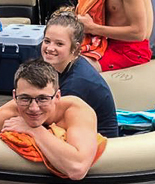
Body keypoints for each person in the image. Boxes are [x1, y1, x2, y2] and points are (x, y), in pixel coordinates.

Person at [41, 9, 119, 138]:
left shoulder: (76, 84)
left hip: (102, 144)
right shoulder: (65, 63)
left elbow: (53, 124)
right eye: (47, 41)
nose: (50, 48)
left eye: (59, 44)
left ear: (76, 48)